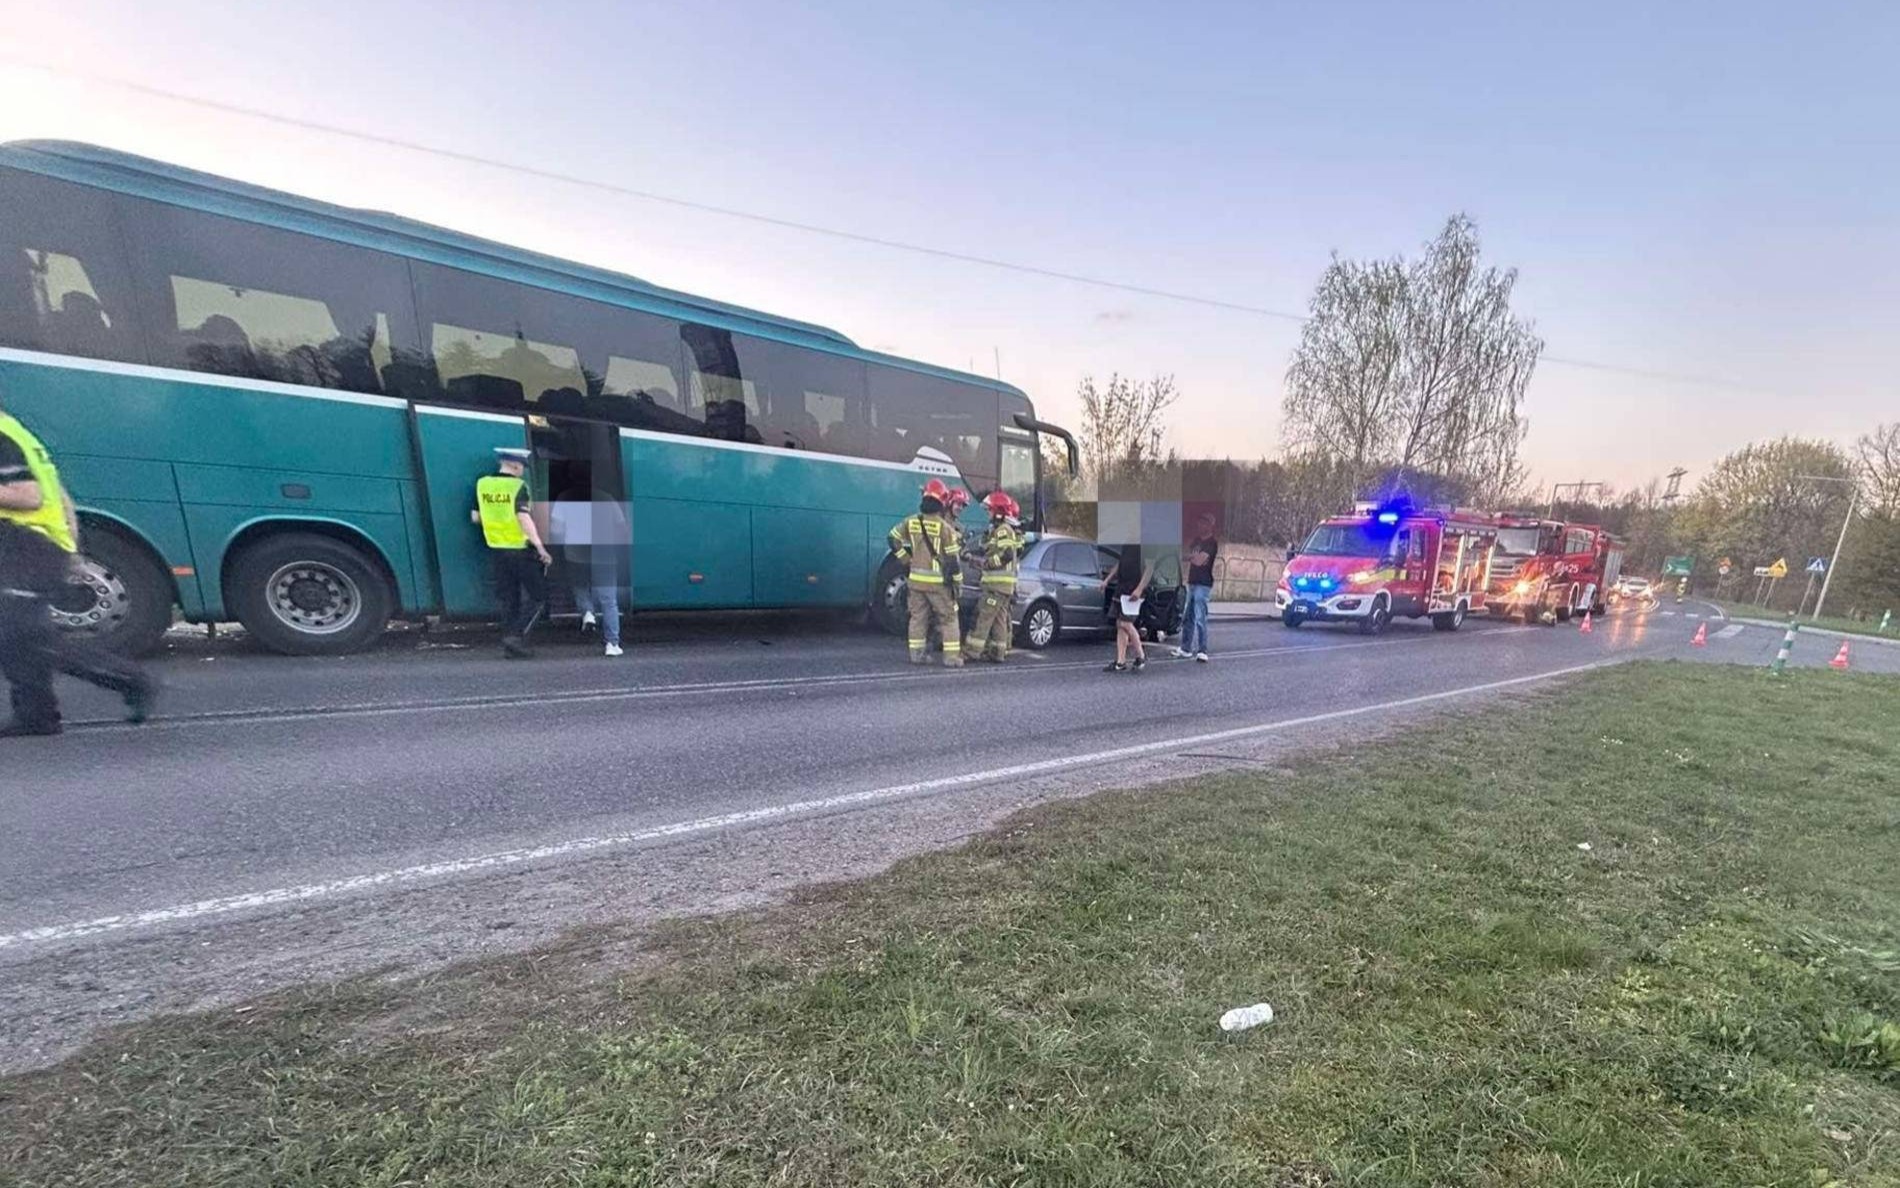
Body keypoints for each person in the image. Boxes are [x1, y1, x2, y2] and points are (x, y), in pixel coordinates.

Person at [0, 400, 154, 736]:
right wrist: (70, 543)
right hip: (32, 547)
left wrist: (63, 546)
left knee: (21, 633)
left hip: (25, 545)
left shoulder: (1, 434)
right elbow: (59, 493)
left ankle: (130, 680)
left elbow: (30, 496)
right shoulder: (13, 429)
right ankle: (36, 715)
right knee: (12, 636)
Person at [473, 446, 551, 659]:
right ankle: (516, 637)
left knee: (509, 598)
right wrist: (540, 547)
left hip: (497, 549)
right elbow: (523, 517)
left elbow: (476, 517)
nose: (522, 471)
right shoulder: (518, 486)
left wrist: (497, 524)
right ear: (515, 465)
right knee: (539, 597)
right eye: (522, 467)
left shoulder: (483, 485)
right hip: (519, 549)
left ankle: (511, 646)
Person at [887, 478, 961, 667]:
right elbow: (953, 561)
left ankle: (916, 655)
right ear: (942, 502)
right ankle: (951, 658)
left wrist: (906, 559)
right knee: (949, 618)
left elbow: (892, 538)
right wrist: (957, 583)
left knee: (918, 618)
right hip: (938, 584)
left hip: (915, 581)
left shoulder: (911, 521)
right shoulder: (946, 528)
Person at [550, 487, 627, 658]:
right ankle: (612, 644)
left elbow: (556, 529)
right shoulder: (607, 496)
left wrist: (559, 546)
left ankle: (587, 612)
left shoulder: (565, 496)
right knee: (609, 601)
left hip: (576, 554)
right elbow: (621, 527)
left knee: (579, 586)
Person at [963, 491, 1025, 663]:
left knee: (983, 616)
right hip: (1004, 588)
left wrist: (986, 564)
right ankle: (997, 653)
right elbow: (989, 548)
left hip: (996, 586)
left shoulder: (1004, 530)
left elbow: (1006, 554)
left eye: (990, 510)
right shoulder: (1000, 530)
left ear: (999, 511)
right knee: (999, 620)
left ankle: (971, 652)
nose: (988, 514)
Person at [1102, 543, 1156, 673]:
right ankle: (1120, 662)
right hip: (1122, 588)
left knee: (1125, 623)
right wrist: (1107, 580)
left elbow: (1150, 568)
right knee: (1120, 624)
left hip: (1134, 590)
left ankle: (1141, 656)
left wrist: (1139, 589)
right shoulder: (1127, 543)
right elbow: (1120, 563)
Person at [1173, 511, 1219, 662]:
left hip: (1203, 583)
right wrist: (1193, 557)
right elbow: (1187, 555)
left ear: (1210, 526)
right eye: (1200, 522)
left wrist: (1192, 557)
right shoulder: (1197, 541)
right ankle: (1186, 648)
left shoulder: (1211, 543)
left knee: (1200, 617)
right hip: (1192, 581)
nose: (1201, 525)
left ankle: (1202, 650)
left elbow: (1199, 561)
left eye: (1204, 522)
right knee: (1188, 616)